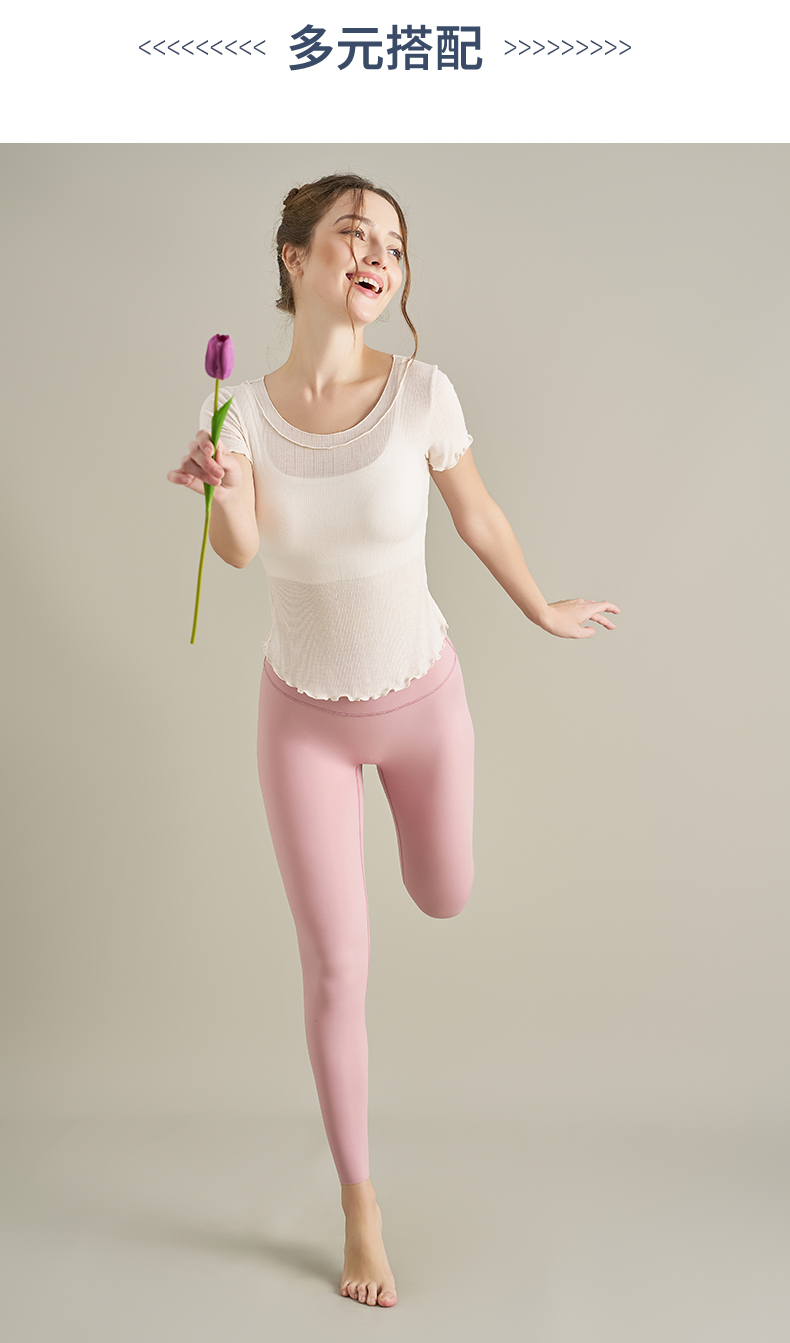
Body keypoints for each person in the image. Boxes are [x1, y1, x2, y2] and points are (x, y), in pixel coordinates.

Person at [167, 172, 620, 1308]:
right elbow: (239, 549)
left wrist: (542, 606)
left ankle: (429, 840)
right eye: (352, 234)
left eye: (394, 245)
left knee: (444, 893)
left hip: (421, 703)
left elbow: (477, 513)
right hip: (300, 721)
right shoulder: (239, 410)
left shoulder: (421, 391)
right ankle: (359, 1209)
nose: (377, 255)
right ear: (295, 258)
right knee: (336, 965)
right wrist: (216, 483)